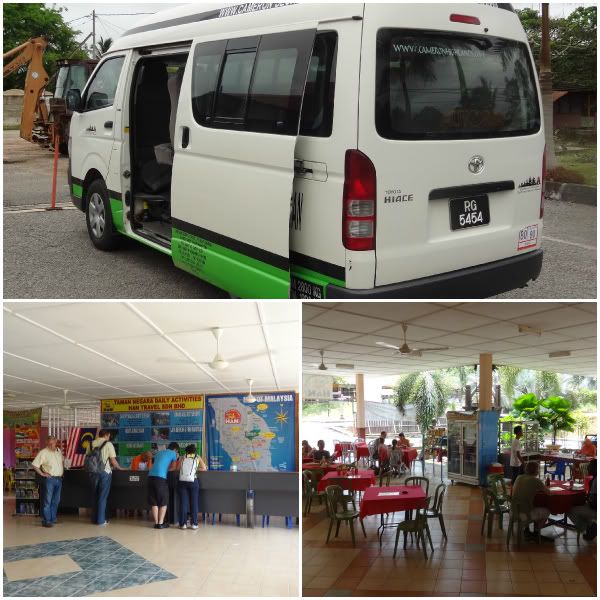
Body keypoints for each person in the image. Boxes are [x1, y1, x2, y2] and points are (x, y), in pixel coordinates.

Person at [90, 430, 124, 526]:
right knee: (103, 496)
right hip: (104, 472)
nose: (109, 437)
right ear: (106, 435)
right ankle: (101, 520)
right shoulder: (108, 444)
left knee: (95, 495)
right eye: (109, 435)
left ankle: (94, 519)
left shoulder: (91, 443)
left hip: (92, 473)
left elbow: (88, 457)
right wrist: (120, 468)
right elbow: (113, 460)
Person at [512, 461, 551, 540]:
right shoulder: (535, 480)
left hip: (514, 510)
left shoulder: (519, 477)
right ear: (536, 470)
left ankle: (527, 530)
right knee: (547, 510)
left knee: (527, 503)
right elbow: (549, 493)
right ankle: (536, 532)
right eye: (538, 469)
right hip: (524, 515)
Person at [31, 436, 64, 528]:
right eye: (48, 443)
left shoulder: (58, 451)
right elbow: (34, 464)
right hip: (50, 479)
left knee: (56, 501)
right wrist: (42, 473)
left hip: (59, 479)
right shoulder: (43, 452)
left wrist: (62, 472)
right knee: (47, 501)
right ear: (46, 442)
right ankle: (46, 520)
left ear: (56, 442)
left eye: (52, 443)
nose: (50, 445)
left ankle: (53, 518)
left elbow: (62, 462)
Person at [148, 442, 180, 529]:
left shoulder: (160, 452)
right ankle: (161, 523)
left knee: (154, 501)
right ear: (176, 449)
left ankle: (156, 523)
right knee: (163, 500)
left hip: (150, 476)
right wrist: (176, 459)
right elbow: (174, 467)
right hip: (160, 478)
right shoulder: (173, 453)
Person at [177, 444, 207, 529]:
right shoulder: (197, 457)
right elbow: (204, 468)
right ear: (194, 451)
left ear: (186, 451)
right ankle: (194, 524)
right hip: (193, 481)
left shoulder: (183, 457)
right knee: (194, 502)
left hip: (182, 481)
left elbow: (177, 468)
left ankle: (183, 524)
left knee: (183, 502)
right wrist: (195, 469)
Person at [568, 459, 597, 541]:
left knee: (570, 509)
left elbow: (594, 501)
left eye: (590, 467)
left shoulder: (596, 481)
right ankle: (591, 527)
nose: (587, 469)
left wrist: (586, 500)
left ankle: (588, 528)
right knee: (580, 507)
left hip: (595, 509)